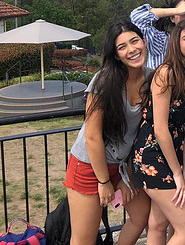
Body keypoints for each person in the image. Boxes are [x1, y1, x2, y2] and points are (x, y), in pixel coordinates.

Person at [63, 20, 150, 245]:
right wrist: (104, 181)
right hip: (90, 165)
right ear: (116, 55)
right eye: (122, 47)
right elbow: (92, 136)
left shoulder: (152, 79)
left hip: (120, 166)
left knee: (141, 217)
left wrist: (122, 176)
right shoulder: (104, 80)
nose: (131, 49)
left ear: (144, 42)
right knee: (84, 239)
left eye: (134, 41)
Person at [132, 20, 185, 245]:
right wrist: (176, 173)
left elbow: (184, 125)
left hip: (173, 156)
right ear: (176, 42)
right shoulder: (166, 73)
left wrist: (184, 169)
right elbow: (160, 128)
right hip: (152, 157)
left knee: (158, 225)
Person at [130, 0, 185, 70]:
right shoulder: (161, 41)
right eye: (184, 13)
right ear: (172, 18)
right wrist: (177, 10)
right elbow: (137, 18)